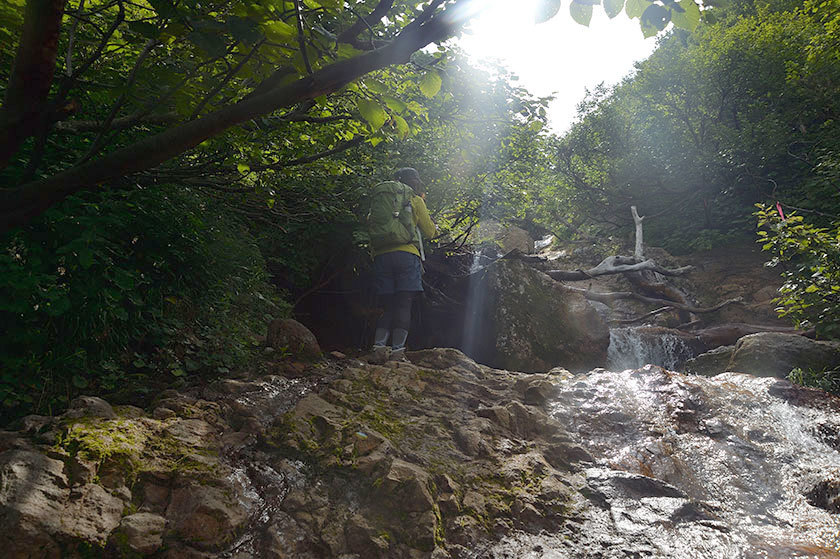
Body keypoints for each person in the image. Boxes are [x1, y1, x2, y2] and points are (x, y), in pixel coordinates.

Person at [368, 167, 436, 363]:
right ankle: (397, 353)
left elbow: (371, 222)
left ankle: (378, 349)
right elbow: (430, 232)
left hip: (382, 255)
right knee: (404, 304)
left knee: (387, 305)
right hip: (407, 255)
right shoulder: (415, 199)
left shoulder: (384, 200)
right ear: (414, 181)